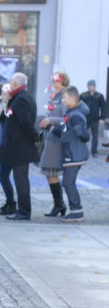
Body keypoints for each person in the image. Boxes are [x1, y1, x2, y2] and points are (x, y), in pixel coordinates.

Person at [39, 85, 89, 222]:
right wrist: (50, 127)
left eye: (65, 97)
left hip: (74, 154)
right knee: (68, 183)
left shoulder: (75, 115)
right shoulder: (71, 113)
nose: (62, 100)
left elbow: (83, 135)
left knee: (68, 183)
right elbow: (64, 132)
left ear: (72, 98)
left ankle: (77, 212)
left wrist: (75, 136)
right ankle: (75, 210)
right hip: (71, 153)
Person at [0, 72, 40, 220]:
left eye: (11, 82)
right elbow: (11, 118)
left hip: (20, 147)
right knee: (18, 178)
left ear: (15, 84)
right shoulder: (20, 97)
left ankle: (24, 211)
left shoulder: (21, 99)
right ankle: (21, 209)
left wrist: (36, 137)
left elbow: (25, 122)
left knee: (21, 180)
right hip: (17, 146)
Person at [39, 71, 71, 217]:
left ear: (63, 81)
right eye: (53, 80)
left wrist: (51, 121)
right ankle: (58, 204)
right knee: (48, 172)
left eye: (57, 80)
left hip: (56, 139)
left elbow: (66, 118)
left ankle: (59, 204)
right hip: (50, 137)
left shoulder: (64, 96)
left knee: (51, 171)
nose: (54, 82)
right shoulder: (54, 96)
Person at [80, 80, 106, 157]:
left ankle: (94, 151)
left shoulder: (99, 96)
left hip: (95, 119)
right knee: (83, 135)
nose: (91, 87)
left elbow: (103, 108)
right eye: (89, 86)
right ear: (87, 86)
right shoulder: (83, 95)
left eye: (92, 86)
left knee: (95, 136)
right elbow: (79, 106)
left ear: (94, 87)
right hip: (85, 119)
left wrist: (102, 118)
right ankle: (81, 151)